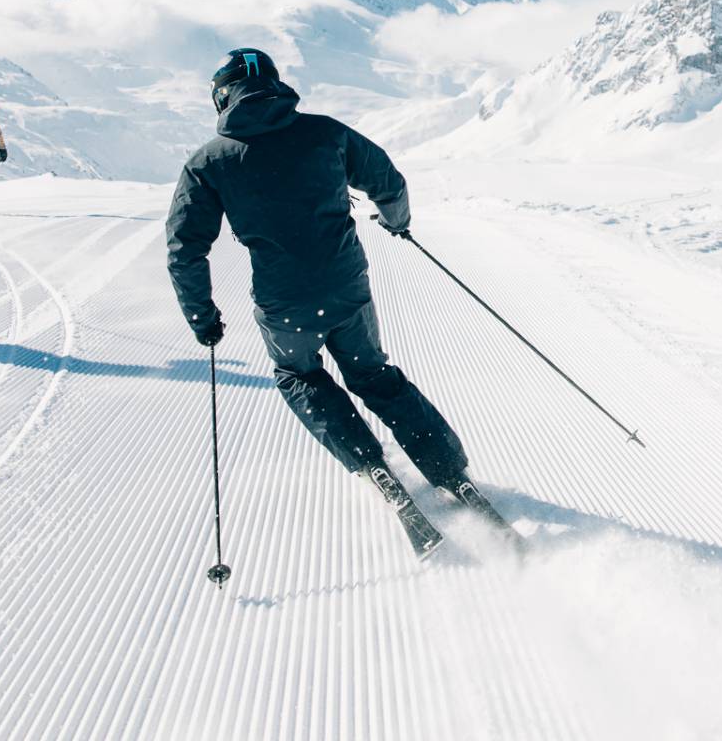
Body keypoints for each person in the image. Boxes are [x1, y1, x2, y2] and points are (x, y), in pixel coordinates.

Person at [166, 48, 484, 552]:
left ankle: (372, 467)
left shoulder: (208, 161)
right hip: (345, 288)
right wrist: (398, 223)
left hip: (285, 305)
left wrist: (201, 316)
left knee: (300, 377)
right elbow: (388, 181)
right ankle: (449, 471)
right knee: (375, 376)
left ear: (222, 97)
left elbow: (185, 248)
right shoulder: (325, 132)